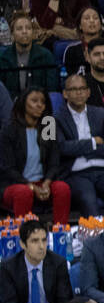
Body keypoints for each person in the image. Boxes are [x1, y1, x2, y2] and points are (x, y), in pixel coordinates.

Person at [55, 71, 104, 218]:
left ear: (88, 92)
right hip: (76, 174)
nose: (79, 93)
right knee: (89, 203)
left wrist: (79, 149)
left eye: (82, 89)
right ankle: (95, 240)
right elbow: (60, 148)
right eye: (74, 90)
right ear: (65, 93)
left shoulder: (101, 113)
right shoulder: (52, 118)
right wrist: (93, 142)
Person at [0, 88, 72, 223]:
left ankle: (60, 233)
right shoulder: (10, 128)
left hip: (42, 182)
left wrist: (46, 183)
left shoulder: (47, 125)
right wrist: (31, 186)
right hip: (14, 184)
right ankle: (24, 235)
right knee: (23, 192)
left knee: (62, 188)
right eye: (34, 101)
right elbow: (8, 168)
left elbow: (54, 161)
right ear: (23, 103)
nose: (40, 105)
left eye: (43, 102)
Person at [0, 13, 59, 97]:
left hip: (39, 104)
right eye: (19, 29)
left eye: (28, 28)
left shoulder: (45, 55)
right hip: (12, 105)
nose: (24, 32)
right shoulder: (4, 58)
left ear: (33, 33)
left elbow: (52, 88)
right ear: (12, 35)